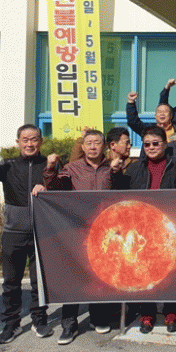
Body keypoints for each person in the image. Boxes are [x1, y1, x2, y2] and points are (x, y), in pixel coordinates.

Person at [42, 130, 118, 344]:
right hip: (76, 229)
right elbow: (55, 188)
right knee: (74, 276)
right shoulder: (72, 168)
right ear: (82, 147)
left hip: (104, 231)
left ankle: (98, 318)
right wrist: (49, 170)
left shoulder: (111, 167)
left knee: (99, 275)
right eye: (89, 143)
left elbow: (122, 192)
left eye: (97, 142)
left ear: (104, 146)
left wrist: (117, 173)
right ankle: (69, 324)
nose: (93, 146)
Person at [111, 126, 176, 334]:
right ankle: (147, 314)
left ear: (165, 144)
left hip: (167, 228)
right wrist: (116, 174)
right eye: (147, 144)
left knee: (169, 271)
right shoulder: (134, 168)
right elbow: (120, 194)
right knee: (144, 272)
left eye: (155, 143)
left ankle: (171, 312)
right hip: (140, 229)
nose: (151, 147)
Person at [0, 125, 53, 344]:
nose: (29, 144)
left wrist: (48, 186)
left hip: (42, 231)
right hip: (14, 232)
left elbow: (63, 186)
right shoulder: (7, 165)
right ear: (18, 142)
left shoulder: (49, 164)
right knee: (11, 282)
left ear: (40, 141)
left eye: (34, 139)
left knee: (39, 281)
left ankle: (39, 320)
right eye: (25, 140)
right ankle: (11, 323)